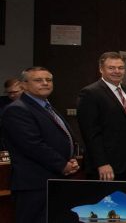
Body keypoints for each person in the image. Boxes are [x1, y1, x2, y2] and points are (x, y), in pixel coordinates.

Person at [3, 67, 78, 223]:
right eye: (38, 80)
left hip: (53, 180)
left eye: (48, 80)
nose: (45, 83)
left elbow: (61, 138)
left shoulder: (47, 106)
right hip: (34, 185)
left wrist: (70, 159)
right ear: (23, 85)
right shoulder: (17, 110)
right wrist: (62, 164)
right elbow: (32, 145)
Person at [78, 52, 126, 181]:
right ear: (101, 69)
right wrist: (102, 163)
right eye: (111, 68)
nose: (117, 71)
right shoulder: (90, 93)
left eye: (120, 68)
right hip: (106, 166)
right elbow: (90, 133)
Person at [0, 78, 23, 151]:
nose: (12, 95)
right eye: (9, 93)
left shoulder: (33, 103)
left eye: (15, 92)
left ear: (24, 90)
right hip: (6, 145)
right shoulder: (2, 103)